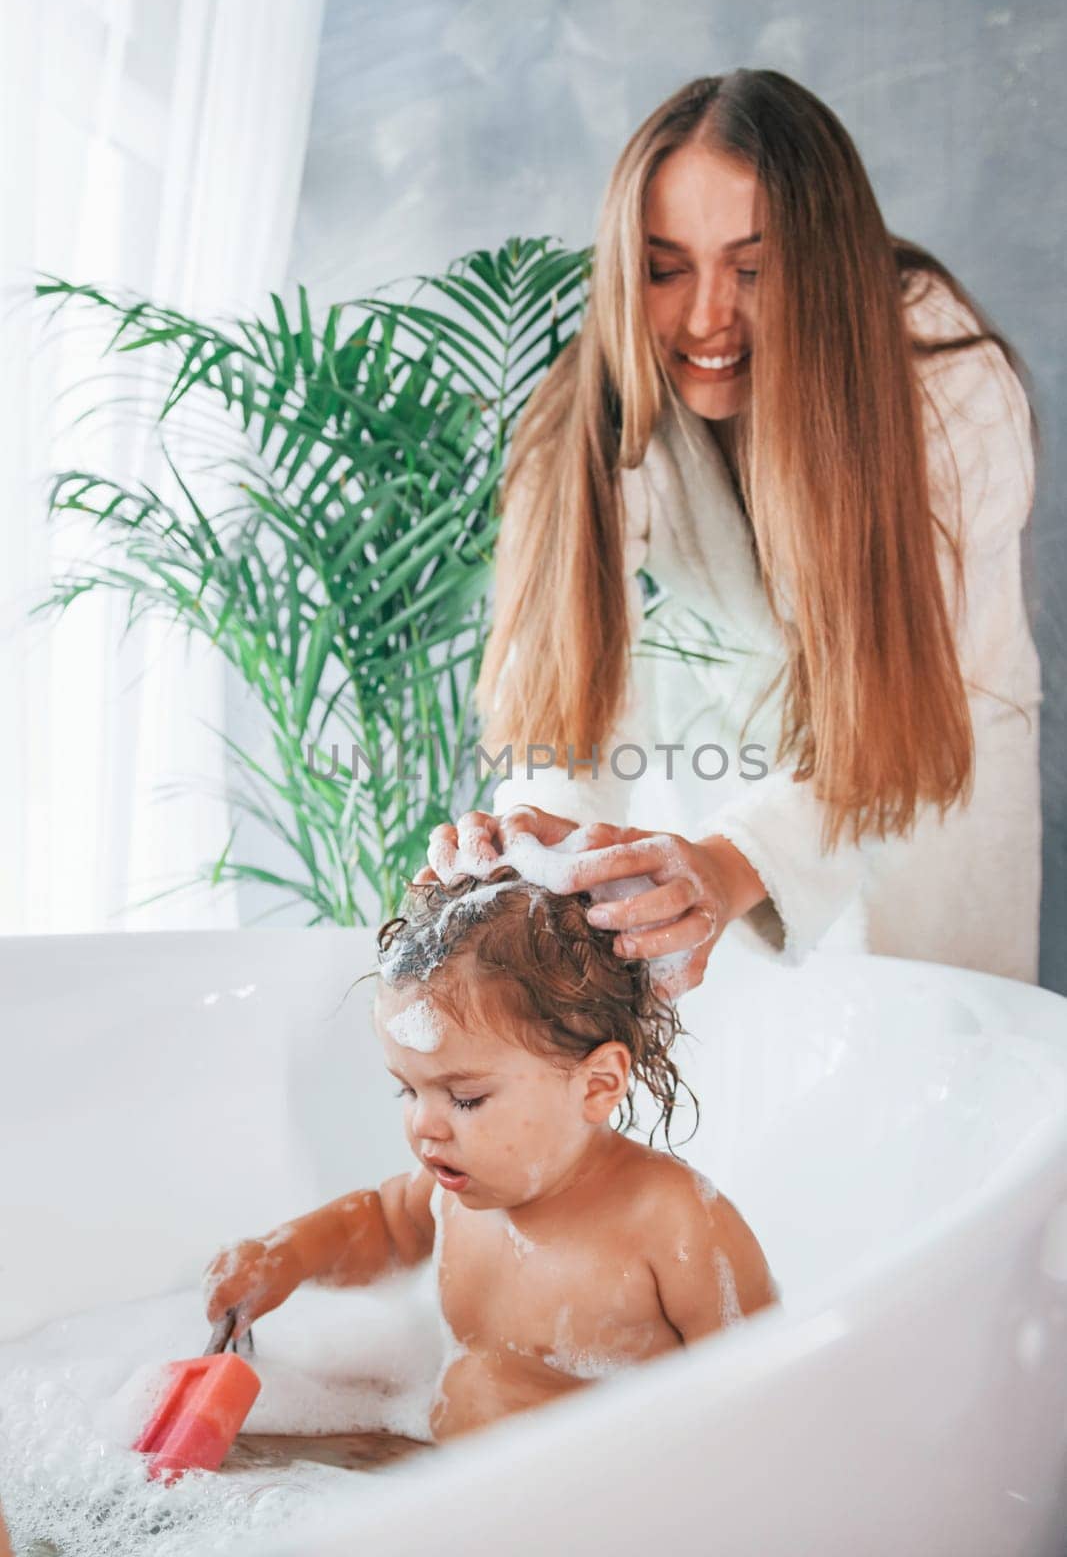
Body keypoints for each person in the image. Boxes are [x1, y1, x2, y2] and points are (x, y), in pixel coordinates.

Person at [419, 69, 1042, 991]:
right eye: (666, 269)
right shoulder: (590, 411)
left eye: (753, 268)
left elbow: (908, 695)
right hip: (727, 772)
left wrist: (733, 860)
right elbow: (566, 698)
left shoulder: (946, 389)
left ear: (823, 266)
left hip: (932, 767)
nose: (707, 317)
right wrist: (542, 845)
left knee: (931, 1081)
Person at [203, 870, 776, 1440]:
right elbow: (382, 1224)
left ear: (597, 1085)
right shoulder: (454, 1196)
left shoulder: (672, 1221)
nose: (425, 1124)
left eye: (466, 1098)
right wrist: (287, 1254)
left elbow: (763, 1391)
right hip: (447, 1470)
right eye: (408, 1090)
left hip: (589, 1503)